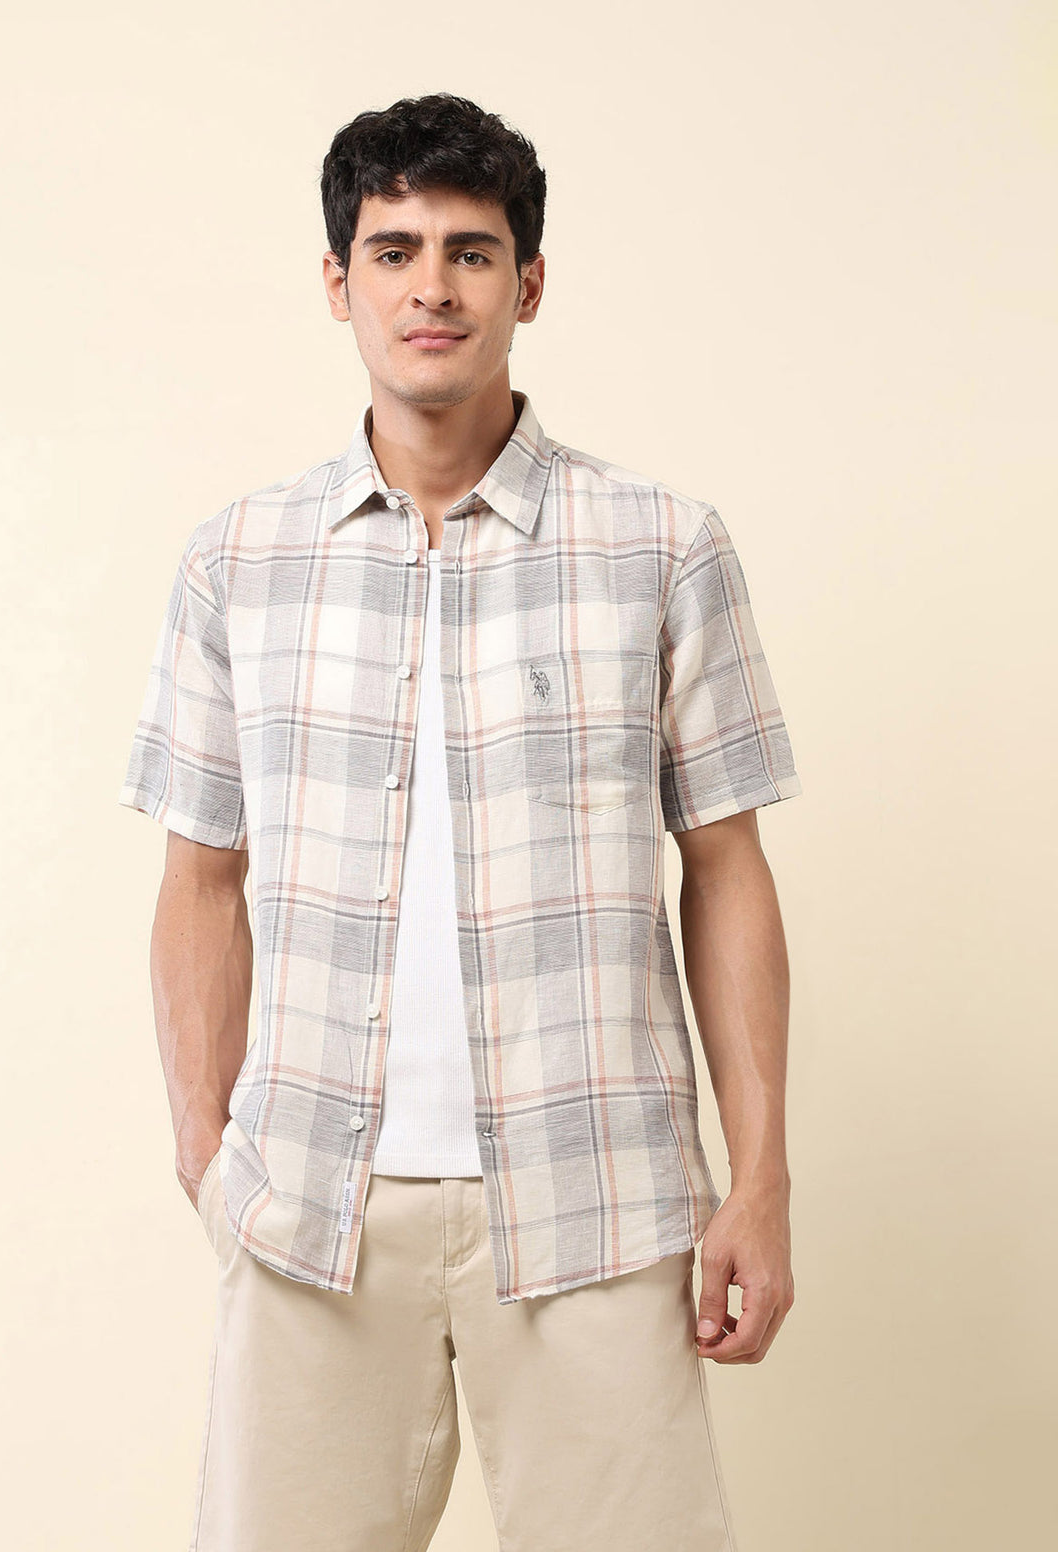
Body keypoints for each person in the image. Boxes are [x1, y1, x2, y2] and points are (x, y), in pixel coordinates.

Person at [118, 91, 803, 1552]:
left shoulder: (662, 547)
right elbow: (199, 879)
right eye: (395, 250)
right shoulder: (239, 561)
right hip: (311, 1215)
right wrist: (207, 1153)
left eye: (471, 252)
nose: (431, 287)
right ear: (339, 282)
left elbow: (728, 871)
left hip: (598, 1200)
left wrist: (762, 1181)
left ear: (529, 284)